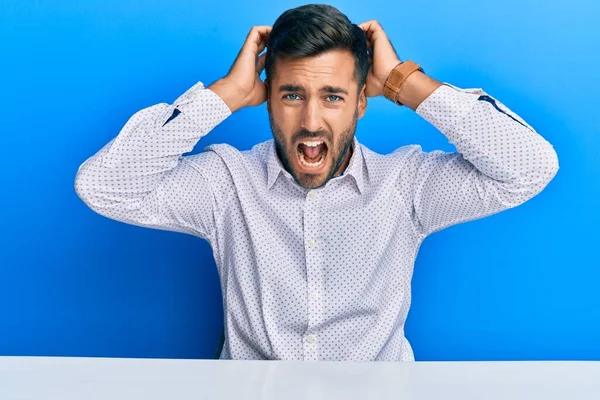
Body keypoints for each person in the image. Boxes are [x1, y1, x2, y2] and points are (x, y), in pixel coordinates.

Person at [74, 4, 559, 361]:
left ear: (361, 102)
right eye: (291, 95)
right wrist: (223, 94)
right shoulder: (226, 183)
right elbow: (102, 186)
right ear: (266, 100)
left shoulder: (406, 186)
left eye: (332, 96)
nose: (310, 120)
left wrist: (401, 79)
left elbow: (531, 166)